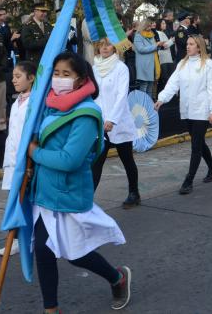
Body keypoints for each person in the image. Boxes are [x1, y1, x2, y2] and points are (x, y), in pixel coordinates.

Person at [26, 51, 131, 312]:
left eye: (66, 74)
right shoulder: (50, 103)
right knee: (43, 249)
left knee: (76, 254)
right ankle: (51, 309)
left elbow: (69, 159)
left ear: (81, 79)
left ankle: (117, 277)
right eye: (56, 73)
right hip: (44, 190)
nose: (59, 79)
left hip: (67, 192)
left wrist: (34, 154)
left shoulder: (86, 113)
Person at [155, 35, 212, 194]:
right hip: (187, 110)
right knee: (198, 142)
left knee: (196, 146)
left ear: (199, 47)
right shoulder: (182, 64)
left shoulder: (208, 64)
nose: (188, 46)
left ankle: (188, 180)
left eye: (191, 44)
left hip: (202, 110)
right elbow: (172, 84)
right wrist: (161, 99)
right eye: (187, 44)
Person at [92, 38, 141, 208]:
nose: (104, 48)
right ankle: (86, 203)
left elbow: (121, 96)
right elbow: (93, 95)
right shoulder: (95, 68)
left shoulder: (121, 68)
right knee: (97, 162)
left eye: (108, 44)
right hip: (100, 124)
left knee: (127, 159)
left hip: (118, 122)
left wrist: (112, 119)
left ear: (115, 47)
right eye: (101, 45)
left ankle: (134, 193)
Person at [0, 61, 36, 257]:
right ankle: (18, 238)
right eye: (13, 76)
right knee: (15, 200)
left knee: (22, 201)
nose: (14, 80)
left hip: (24, 160)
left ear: (31, 78)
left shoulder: (35, 103)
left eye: (18, 76)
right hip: (13, 158)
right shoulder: (17, 101)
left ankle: (19, 239)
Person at [133, 17, 165, 101]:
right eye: (148, 26)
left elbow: (154, 48)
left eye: (150, 26)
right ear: (144, 26)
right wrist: (156, 45)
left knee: (150, 87)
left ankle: (149, 106)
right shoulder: (138, 36)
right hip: (144, 65)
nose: (150, 28)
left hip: (152, 64)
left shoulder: (151, 35)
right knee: (144, 86)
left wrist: (158, 46)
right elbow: (141, 49)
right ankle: (142, 105)